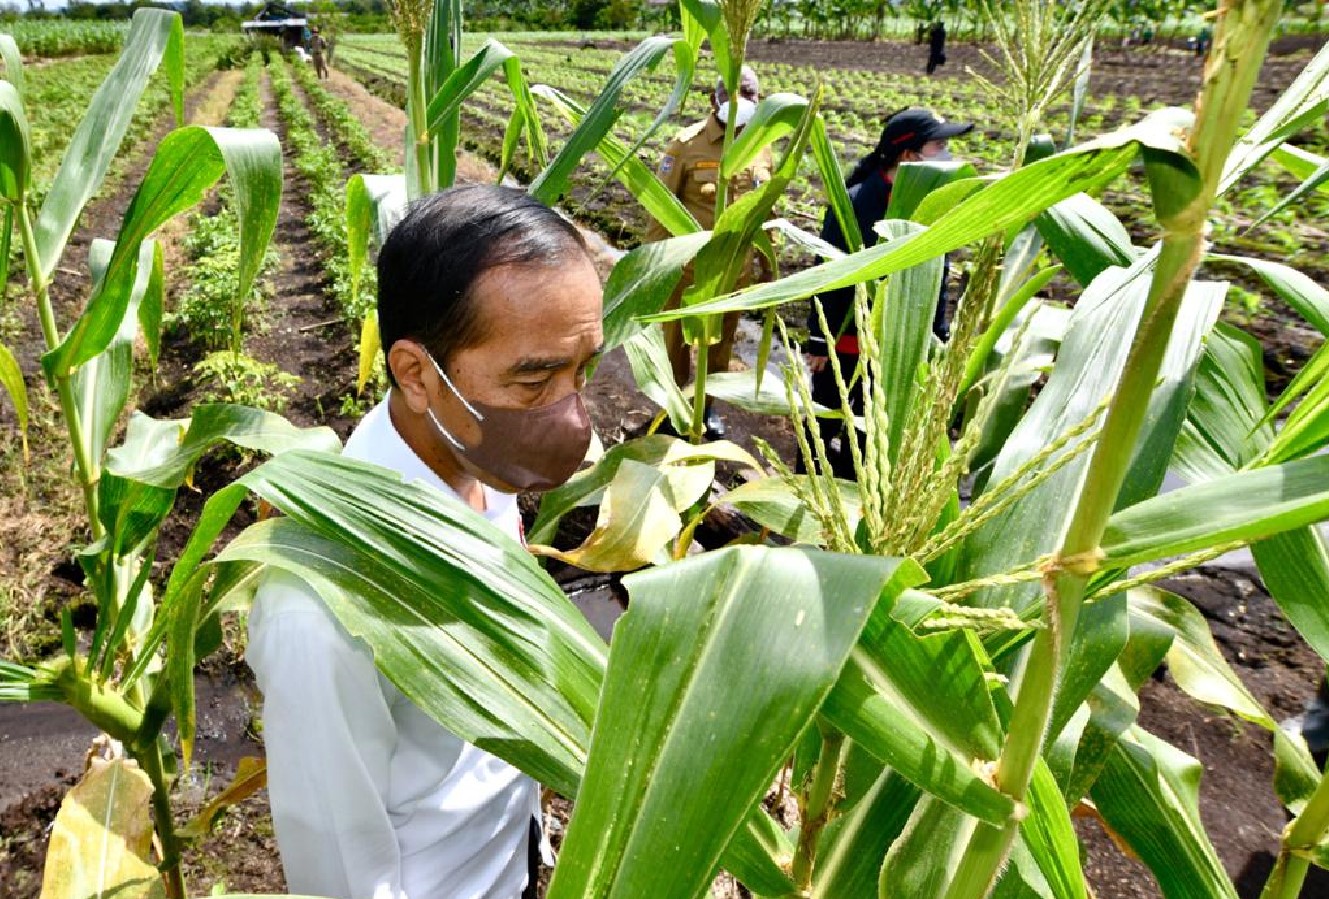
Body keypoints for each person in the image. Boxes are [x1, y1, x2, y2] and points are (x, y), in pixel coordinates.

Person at [247, 185, 603, 899]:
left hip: (514, 854)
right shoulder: (325, 605)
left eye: (582, 369)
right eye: (534, 378)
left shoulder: (482, 460)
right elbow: (339, 871)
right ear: (416, 373)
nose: (570, 414)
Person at [799, 108, 973, 478]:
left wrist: (937, 335)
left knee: (869, 437)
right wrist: (818, 339)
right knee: (823, 428)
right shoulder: (856, 201)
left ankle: (854, 507)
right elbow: (827, 271)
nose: (948, 156)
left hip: (897, 351)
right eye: (939, 146)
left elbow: (937, 275)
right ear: (908, 156)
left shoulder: (933, 204)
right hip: (846, 345)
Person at [645, 65, 774, 439]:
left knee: (722, 345)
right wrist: (653, 268)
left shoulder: (761, 146)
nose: (741, 101)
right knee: (677, 342)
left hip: (736, 271)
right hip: (688, 271)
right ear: (713, 99)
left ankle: (708, 406)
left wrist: (769, 268)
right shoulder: (685, 145)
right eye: (733, 92)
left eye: (749, 93)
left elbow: (767, 212)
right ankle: (675, 406)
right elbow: (659, 207)